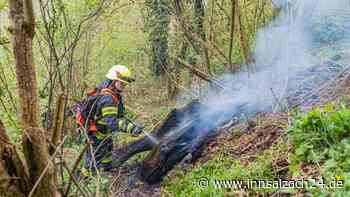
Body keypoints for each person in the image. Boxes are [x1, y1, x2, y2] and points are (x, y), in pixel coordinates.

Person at [81, 65, 143, 176]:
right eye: (121, 83)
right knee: (93, 160)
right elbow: (112, 122)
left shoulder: (110, 92)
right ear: (113, 81)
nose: (123, 86)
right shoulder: (108, 98)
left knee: (107, 153)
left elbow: (117, 115)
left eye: (124, 83)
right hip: (96, 135)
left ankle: (106, 169)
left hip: (104, 133)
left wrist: (131, 124)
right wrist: (131, 128)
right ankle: (85, 181)